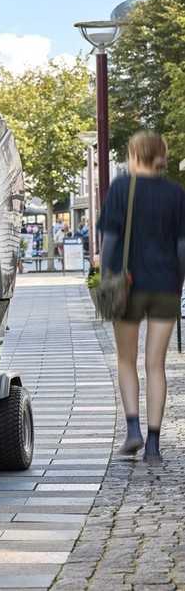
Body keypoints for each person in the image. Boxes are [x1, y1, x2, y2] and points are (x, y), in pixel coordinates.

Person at [98, 131, 185, 465]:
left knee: (126, 360)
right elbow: (181, 247)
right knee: (156, 365)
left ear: (135, 155)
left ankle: (132, 427)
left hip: (128, 285)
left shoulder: (122, 188)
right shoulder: (177, 194)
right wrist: (177, 283)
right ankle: (153, 444)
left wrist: (107, 277)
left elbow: (110, 238)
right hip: (165, 286)